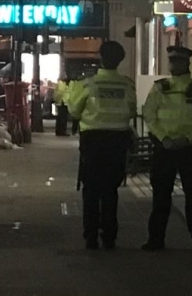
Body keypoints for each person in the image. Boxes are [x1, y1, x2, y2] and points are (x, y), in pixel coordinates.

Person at [142, 44, 192, 252]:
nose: (174, 64)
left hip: (188, 148)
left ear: (187, 63)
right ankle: (156, 239)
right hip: (167, 147)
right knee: (161, 197)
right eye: (172, 61)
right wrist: (163, 137)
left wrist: (189, 139)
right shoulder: (159, 87)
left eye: (178, 61)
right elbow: (150, 114)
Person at [68, 41, 136, 250]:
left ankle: (90, 236)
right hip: (118, 141)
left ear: (101, 58)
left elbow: (74, 110)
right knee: (110, 190)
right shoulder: (127, 84)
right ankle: (109, 236)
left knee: (91, 190)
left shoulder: (88, 84)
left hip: (93, 142)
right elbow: (132, 110)